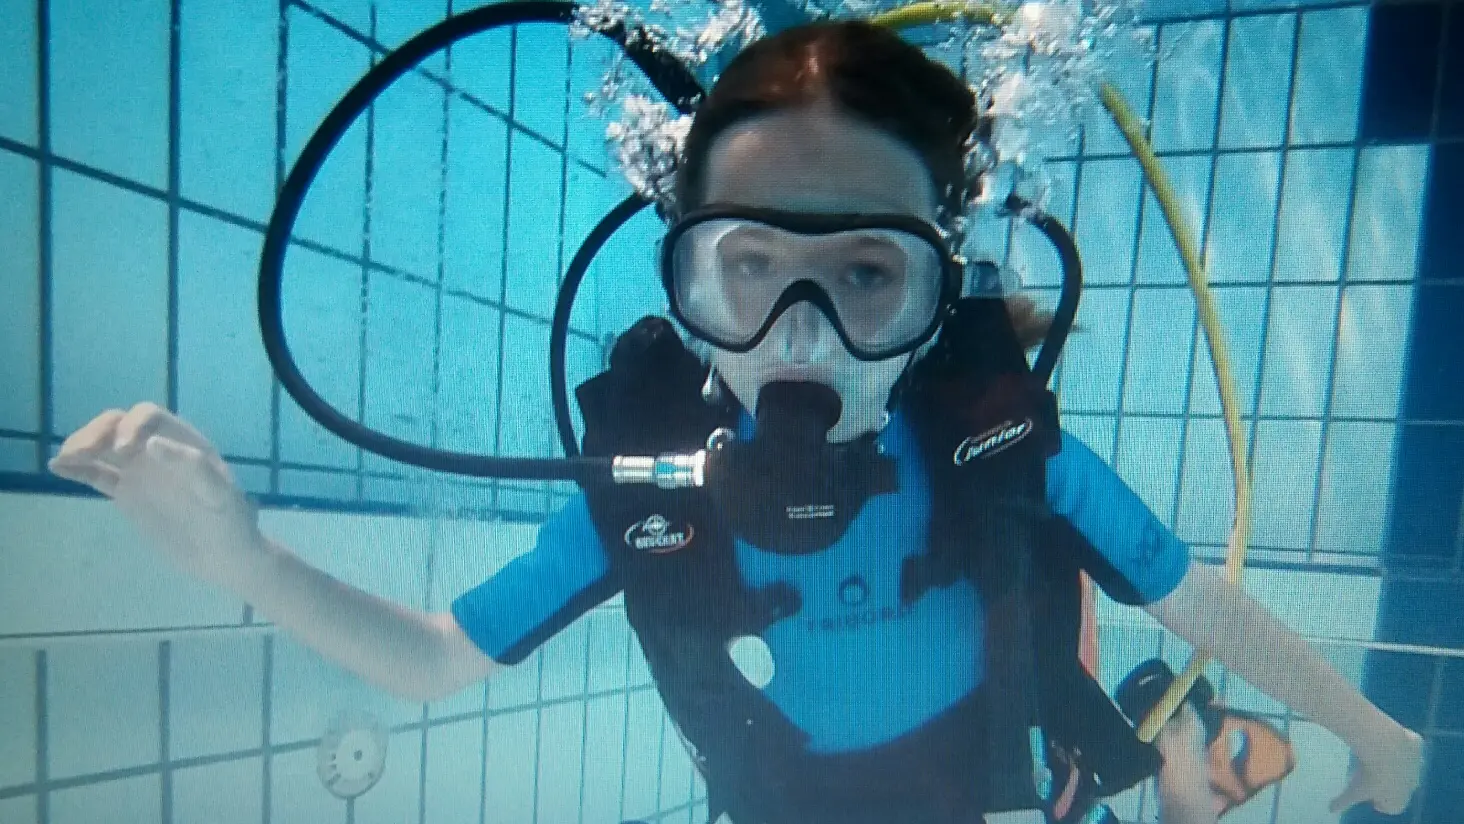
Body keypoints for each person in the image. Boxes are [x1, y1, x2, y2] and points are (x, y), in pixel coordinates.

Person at [49, 19, 1419, 824]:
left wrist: (1381, 732)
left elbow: (1205, 607)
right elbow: (431, 660)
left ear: (940, 294)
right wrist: (244, 564)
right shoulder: (654, 479)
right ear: (687, 280)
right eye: (749, 273)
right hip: (795, 802)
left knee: (1045, 566)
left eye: (866, 278)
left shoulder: (994, 440)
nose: (801, 342)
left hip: (967, 775)